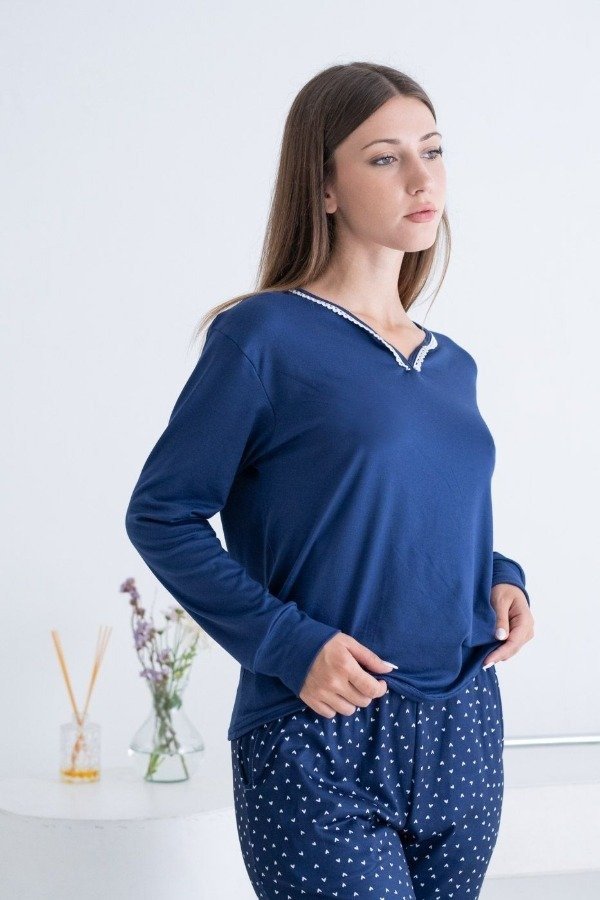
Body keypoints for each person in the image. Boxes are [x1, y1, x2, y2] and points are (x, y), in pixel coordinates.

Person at [125, 61, 534, 899]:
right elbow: (162, 512)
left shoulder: (452, 365)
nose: (422, 178)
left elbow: (419, 508)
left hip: (463, 727)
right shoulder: (262, 337)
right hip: (319, 731)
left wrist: (500, 575)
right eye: (385, 158)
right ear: (324, 188)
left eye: (432, 151)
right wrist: (288, 644)